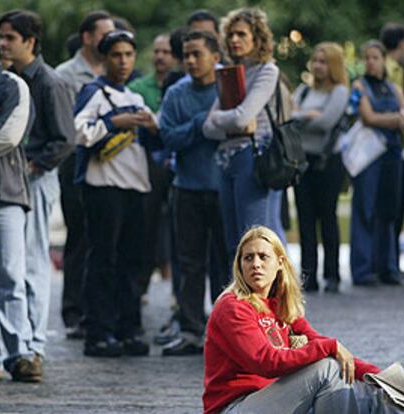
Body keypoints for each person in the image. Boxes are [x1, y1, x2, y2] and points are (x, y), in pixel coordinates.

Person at [203, 225, 404, 414]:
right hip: (235, 407)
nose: (256, 264)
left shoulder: (282, 306)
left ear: (280, 263)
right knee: (328, 369)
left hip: (277, 401)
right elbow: (266, 362)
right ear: (239, 265)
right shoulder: (232, 306)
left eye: (263, 257)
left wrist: (382, 378)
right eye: (248, 258)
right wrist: (329, 347)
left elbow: (325, 347)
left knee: (375, 395)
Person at [0, 10, 74, 369]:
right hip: (9, 179)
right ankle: (8, 347)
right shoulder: (5, 80)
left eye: (10, 37)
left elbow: (64, 140)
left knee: (31, 264)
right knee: (7, 265)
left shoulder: (48, 81)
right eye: (1, 36)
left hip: (36, 180)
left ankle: (34, 345)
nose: (2, 43)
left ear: (30, 41)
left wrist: (33, 165)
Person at [74, 30, 157, 357]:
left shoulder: (137, 99)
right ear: (104, 58)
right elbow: (80, 133)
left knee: (132, 262)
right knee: (103, 260)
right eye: (116, 55)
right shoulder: (93, 92)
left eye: (128, 55)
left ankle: (129, 328)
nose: (123, 62)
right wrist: (114, 122)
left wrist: (150, 127)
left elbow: (155, 141)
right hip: (102, 187)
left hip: (135, 187)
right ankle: (98, 331)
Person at [160, 30, 229, 356]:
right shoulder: (176, 93)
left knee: (225, 265)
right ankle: (189, 329)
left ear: (215, 57)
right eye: (186, 54)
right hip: (186, 188)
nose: (189, 60)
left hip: (223, 189)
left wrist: (196, 130)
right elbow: (168, 138)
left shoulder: (228, 88)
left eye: (196, 54)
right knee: (188, 264)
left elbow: (235, 128)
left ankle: (225, 332)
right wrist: (202, 123)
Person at [203, 8, 280, 262]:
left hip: (252, 156)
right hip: (227, 160)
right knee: (234, 244)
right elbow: (208, 127)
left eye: (241, 34)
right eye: (231, 34)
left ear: (256, 38)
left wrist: (229, 120)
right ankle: (240, 303)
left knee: (256, 242)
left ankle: (268, 302)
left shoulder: (267, 71)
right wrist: (232, 120)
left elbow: (241, 117)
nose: (235, 39)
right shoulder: (229, 73)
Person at [56, 10, 115, 340]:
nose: (110, 39)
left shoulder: (113, 71)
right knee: (79, 238)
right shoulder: (65, 75)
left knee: (105, 241)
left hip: (111, 168)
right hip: (76, 165)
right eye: (104, 34)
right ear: (87, 37)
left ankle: (99, 309)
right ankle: (74, 311)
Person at [0, 64, 39, 382]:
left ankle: (19, 353)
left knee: (10, 274)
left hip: (4, 193)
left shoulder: (11, 85)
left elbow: (8, 135)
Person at [291, 42, 349, 293]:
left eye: (324, 61)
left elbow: (326, 122)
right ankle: (308, 276)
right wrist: (309, 114)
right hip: (302, 161)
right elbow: (288, 119)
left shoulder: (339, 91)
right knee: (305, 220)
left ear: (333, 65)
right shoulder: (303, 91)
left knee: (327, 216)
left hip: (328, 162)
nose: (318, 65)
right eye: (315, 60)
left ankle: (332, 275)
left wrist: (303, 115)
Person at [350, 40, 404, 286]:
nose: (371, 62)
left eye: (375, 57)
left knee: (389, 210)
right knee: (365, 209)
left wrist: (392, 119)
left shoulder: (394, 88)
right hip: (369, 156)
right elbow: (368, 117)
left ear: (384, 60)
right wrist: (395, 119)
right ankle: (363, 269)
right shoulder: (359, 85)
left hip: (392, 155)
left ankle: (388, 266)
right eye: (367, 58)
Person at [129, 34, 174, 299]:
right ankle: (140, 288)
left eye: (166, 52)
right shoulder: (138, 88)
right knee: (146, 226)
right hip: (145, 164)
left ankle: (178, 296)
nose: (160, 56)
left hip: (177, 164)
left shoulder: (181, 85)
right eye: (156, 51)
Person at [380, 23, 404, 271]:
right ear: (401, 43)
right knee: (393, 208)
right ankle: (389, 264)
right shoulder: (393, 70)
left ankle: (389, 263)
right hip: (392, 146)